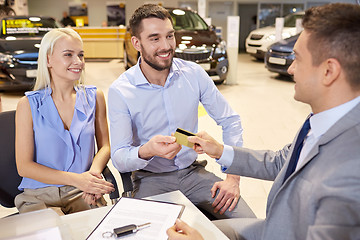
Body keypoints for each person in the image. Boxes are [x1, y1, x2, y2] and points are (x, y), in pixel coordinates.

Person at [167, 3, 360, 240]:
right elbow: (282, 161)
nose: (290, 69)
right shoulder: (322, 120)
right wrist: (220, 151)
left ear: (329, 71)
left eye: (297, 59)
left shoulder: (348, 175)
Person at [108, 4, 255, 219]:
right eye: (155, 38)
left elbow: (230, 120)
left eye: (170, 36)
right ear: (136, 43)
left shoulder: (193, 74)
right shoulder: (121, 90)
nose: (166, 46)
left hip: (193, 173)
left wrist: (233, 178)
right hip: (150, 179)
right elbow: (119, 157)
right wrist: (147, 150)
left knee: (248, 224)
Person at [15, 28, 114, 215]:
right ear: (48, 60)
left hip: (82, 192)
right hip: (39, 195)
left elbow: (105, 147)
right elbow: (24, 166)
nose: (78, 62)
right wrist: (77, 180)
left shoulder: (95, 97)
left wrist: (92, 178)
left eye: (81, 55)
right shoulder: (27, 105)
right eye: (68, 54)